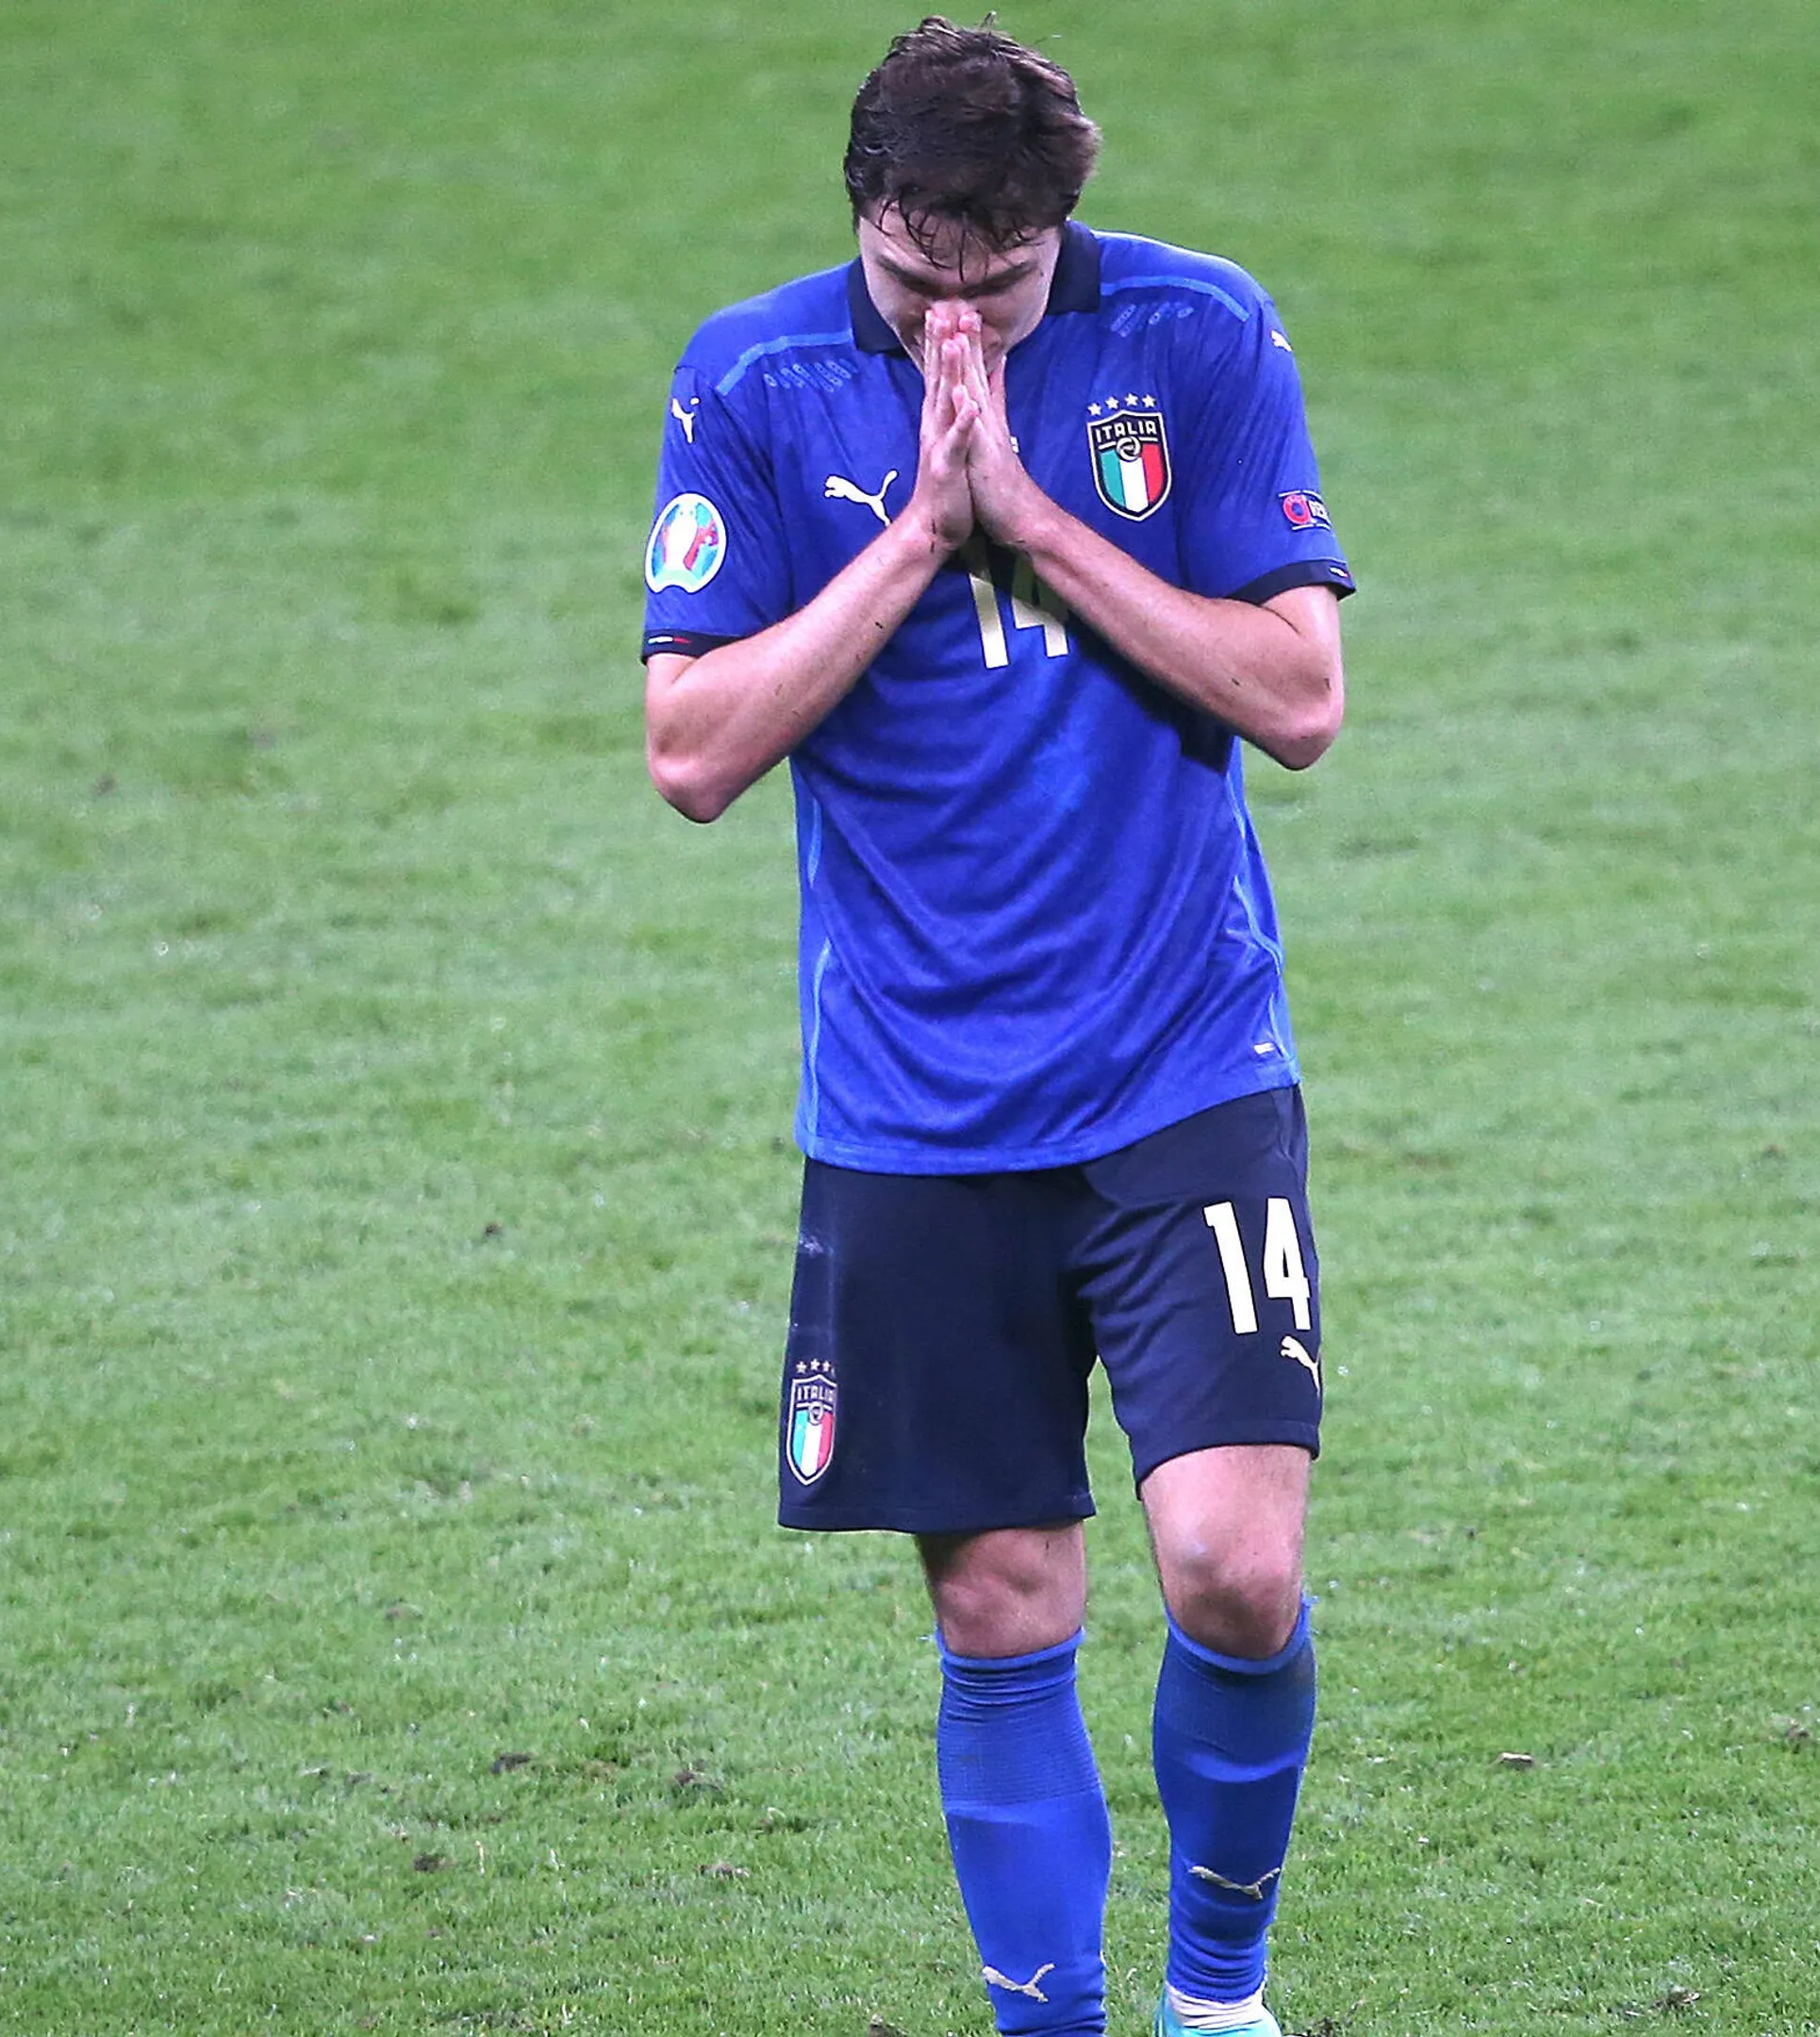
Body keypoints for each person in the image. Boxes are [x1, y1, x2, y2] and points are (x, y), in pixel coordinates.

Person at [638, 20, 1352, 2037]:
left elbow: (1296, 701)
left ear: (1063, 229)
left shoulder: (1201, 337)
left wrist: (1038, 524)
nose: (957, 320)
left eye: (1001, 284)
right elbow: (689, 752)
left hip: (1180, 1067)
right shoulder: (756, 377)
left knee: (1230, 1565)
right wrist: (913, 536)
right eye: (916, 282)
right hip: (916, 1106)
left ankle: (1219, 1997)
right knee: (1001, 1600)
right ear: (863, 216)